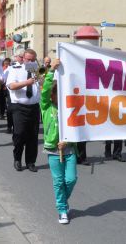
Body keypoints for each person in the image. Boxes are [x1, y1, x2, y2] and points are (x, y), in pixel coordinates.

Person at [40, 57, 77, 224]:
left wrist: (67, 141)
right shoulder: (46, 106)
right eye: (56, 94)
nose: (58, 97)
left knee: (71, 179)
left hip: (68, 148)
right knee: (59, 181)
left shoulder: (68, 107)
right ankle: (62, 209)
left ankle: (63, 200)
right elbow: (45, 90)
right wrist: (51, 71)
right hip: (52, 149)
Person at [6, 48, 41, 172]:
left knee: (33, 136)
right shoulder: (15, 70)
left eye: (33, 60)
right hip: (19, 107)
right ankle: (17, 159)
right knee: (19, 134)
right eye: (28, 59)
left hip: (34, 107)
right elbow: (11, 86)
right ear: (23, 59)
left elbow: (43, 86)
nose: (30, 62)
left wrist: (41, 80)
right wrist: (27, 82)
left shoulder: (38, 71)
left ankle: (31, 162)